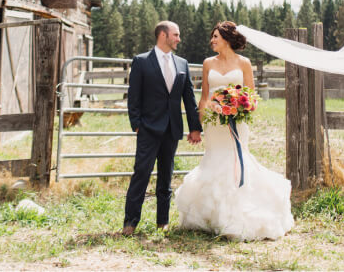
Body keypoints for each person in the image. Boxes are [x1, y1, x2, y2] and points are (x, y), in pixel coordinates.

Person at [175, 21, 294, 240]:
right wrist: (199, 126)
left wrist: (239, 108)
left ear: (227, 39)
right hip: (214, 123)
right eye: (212, 37)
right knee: (214, 159)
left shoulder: (244, 63)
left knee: (237, 161)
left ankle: (239, 213)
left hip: (237, 123)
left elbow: (251, 96)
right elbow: (204, 97)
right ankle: (211, 215)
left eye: (216, 37)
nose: (212, 41)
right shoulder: (208, 63)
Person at [122, 21, 202, 235]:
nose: (179, 38)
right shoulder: (141, 61)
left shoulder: (182, 63)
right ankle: (130, 223)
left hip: (172, 129)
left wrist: (195, 128)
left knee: (166, 177)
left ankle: (162, 221)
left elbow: (189, 98)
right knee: (141, 174)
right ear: (163, 35)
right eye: (176, 34)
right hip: (148, 128)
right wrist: (137, 125)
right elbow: (133, 97)